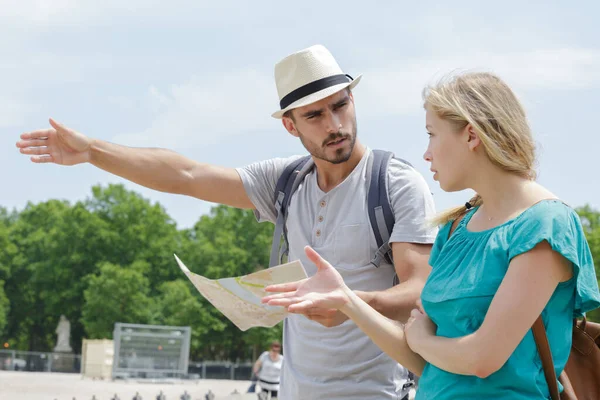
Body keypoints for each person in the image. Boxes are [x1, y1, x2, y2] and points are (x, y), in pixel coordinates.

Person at [16, 44, 437, 399]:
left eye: (340, 106)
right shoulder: (287, 182)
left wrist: (349, 303)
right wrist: (93, 152)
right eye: (314, 116)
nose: (334, 125)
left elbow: (419, 289)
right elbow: (187, 175)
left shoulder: (395, 183)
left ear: (352, 98)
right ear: (290, 126)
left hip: (377, 393)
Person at [263, 71, 600, 399]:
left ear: (471, 135)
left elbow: (482, 359)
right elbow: (427, 364)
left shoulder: (546, 225)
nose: (426, 153)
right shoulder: (456, 228)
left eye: (432, 134)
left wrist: (420, 337)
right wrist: (347, 301)